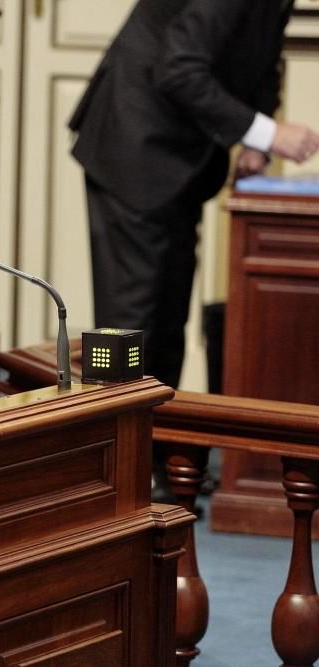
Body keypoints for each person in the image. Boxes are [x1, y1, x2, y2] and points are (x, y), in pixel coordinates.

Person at [69, 0, 319, 502]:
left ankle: (158, 460)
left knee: (167, 319)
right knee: (128, 323)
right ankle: (114, 475)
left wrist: (256, 137)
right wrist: (268, 131)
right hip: (134, 146)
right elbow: (179, 66)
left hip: (180, 159)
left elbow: (260, 54)